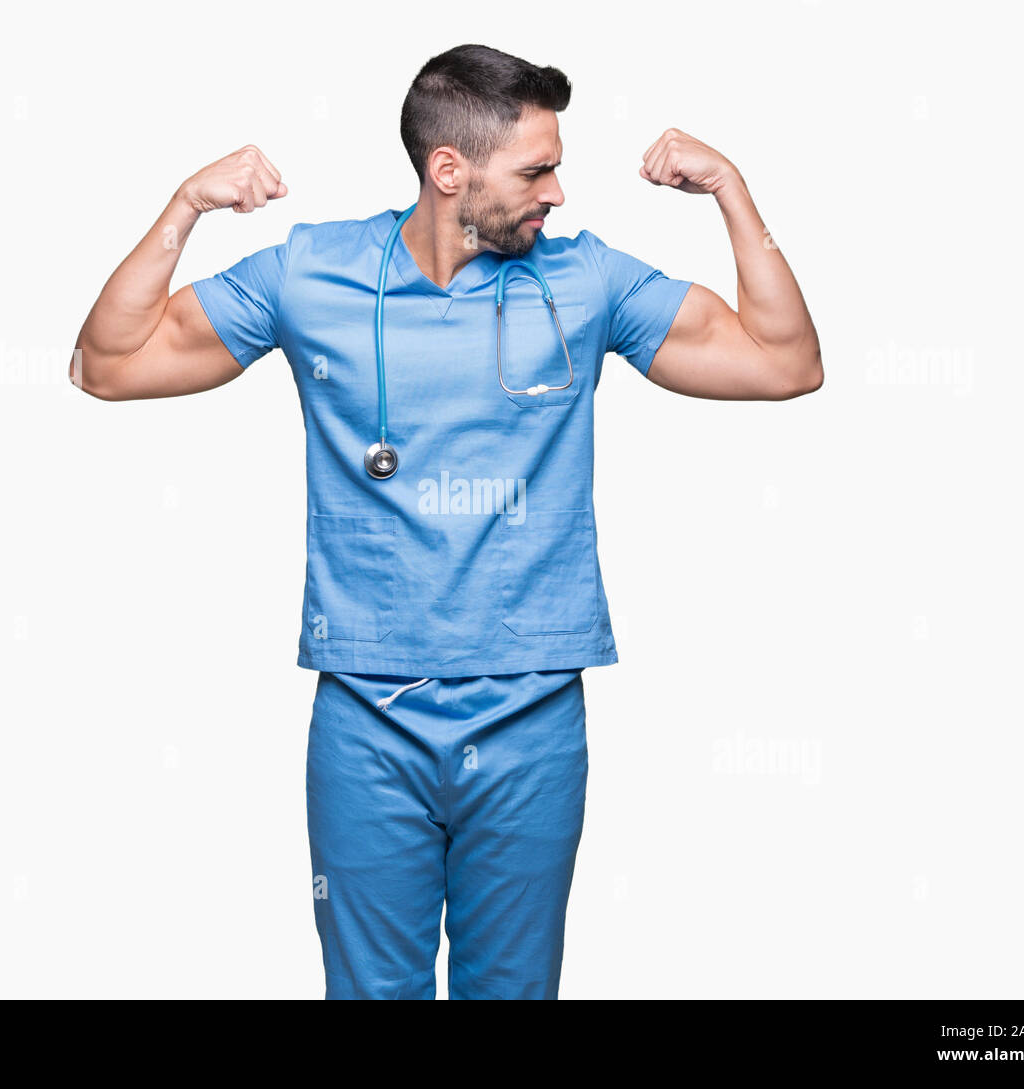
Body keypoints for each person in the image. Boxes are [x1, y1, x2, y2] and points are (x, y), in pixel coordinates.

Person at [69, 43, 822, 1000]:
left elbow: (785, 362)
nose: (557, 192)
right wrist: (186, 207)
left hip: (531, 713)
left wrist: (733, 191)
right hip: (366, 714)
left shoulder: (585, 281)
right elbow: (108, 363)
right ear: (448, 170)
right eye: (537, 169)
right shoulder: (312, 274)